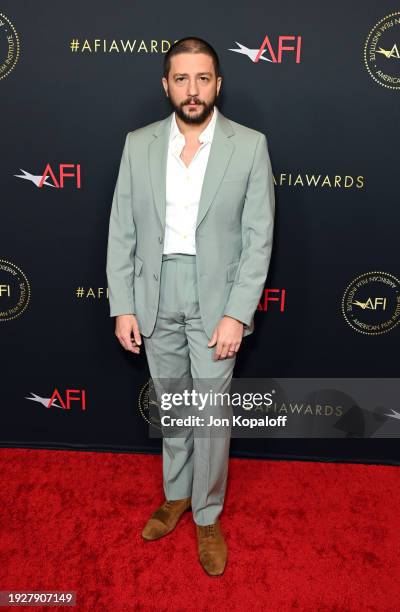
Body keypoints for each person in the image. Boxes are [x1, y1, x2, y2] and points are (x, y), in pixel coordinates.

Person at [106, 36, 275, 576]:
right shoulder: (139, 144)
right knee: (173, 405)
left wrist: (237, 312)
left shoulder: (249, 145)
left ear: (218, 83)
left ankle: (206, 513)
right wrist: (123, 304)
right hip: (156, 292)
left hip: (216, 299)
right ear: (166, 84)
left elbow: (258, 238)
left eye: (203, 78)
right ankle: (175, 496)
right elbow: (122, 232)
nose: (192, 89)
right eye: (182, 78)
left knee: (209, 414)